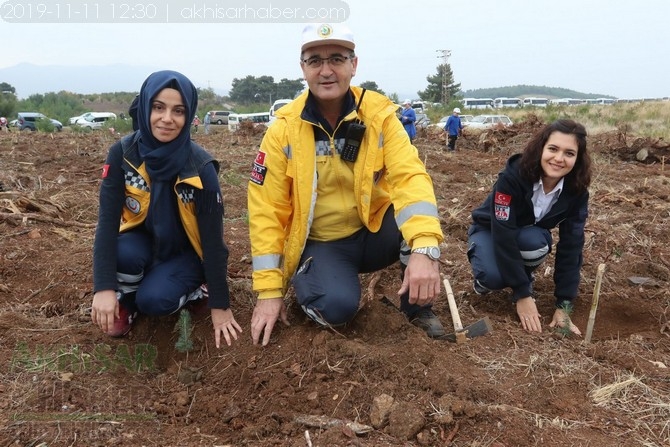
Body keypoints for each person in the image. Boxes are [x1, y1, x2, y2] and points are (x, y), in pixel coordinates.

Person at [247, 23, 446, 346]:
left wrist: (425, 248)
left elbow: (410, 178)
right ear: (303, 69)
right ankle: (317, 278)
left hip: (373, 231)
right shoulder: (284, 130)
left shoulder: (379, 117)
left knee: (418, 229)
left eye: (337, 59)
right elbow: (266, 211)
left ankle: (417, 309)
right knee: (335, 308)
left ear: (354, 65)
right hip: (324, 243)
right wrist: (269, 291)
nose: (326, 71)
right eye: (315, 61)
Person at [91, 70, 242, 348]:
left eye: (178, 111)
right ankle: (127, 298)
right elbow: (107, 223)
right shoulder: (123, 154)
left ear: (188, 117)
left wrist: (220, 305)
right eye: (158, 107)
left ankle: (196, 290)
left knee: (155, 300)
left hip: (185, 254)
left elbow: (212, 241)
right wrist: (104, 288)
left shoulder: (201, 168)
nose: (167, 119)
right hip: (142, 243)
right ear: (146, 106)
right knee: (122, 253)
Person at [467, 119, 592, 336]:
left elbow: (572, 246)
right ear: (541, 148)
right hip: (491, 230)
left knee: (535, 243)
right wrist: (522, 295)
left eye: (569, 153)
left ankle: (522, 276)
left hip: (527, 235)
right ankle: (493, 278)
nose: (559, 159)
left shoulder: (576, 192)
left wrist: (564, 305)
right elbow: (503, 233)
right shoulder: (513, 177)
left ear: (577, 159)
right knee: (492, 277)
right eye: (553, 149)